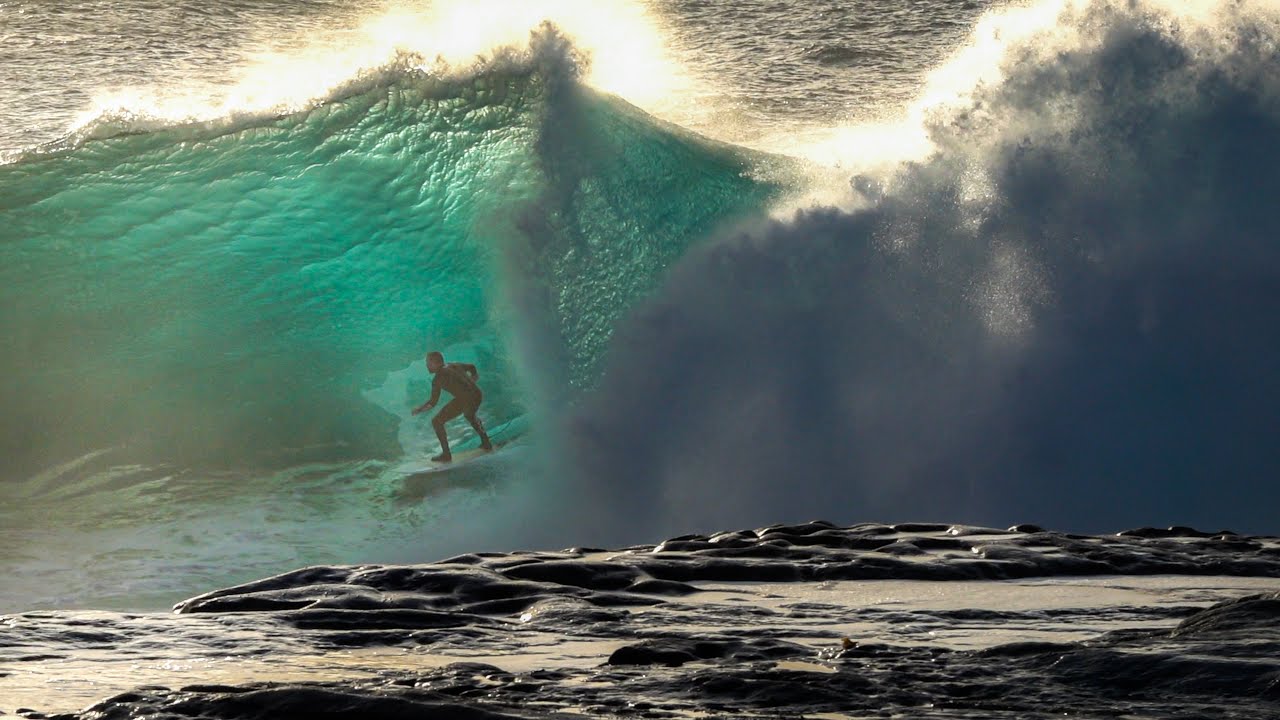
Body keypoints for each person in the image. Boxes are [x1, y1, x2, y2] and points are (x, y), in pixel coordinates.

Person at [412, 351, 494, 462]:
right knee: (470, 415)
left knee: (437, 421)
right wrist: (474, 379)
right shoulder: (454, 365)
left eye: (428, 363)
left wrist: (419, 409)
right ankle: (486, 442)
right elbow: (472, 367)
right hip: (477, 394)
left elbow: (432, 403)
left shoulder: (438, 379)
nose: (427, 366)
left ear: (435, 363)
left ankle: (446, 455)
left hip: (465, 399)